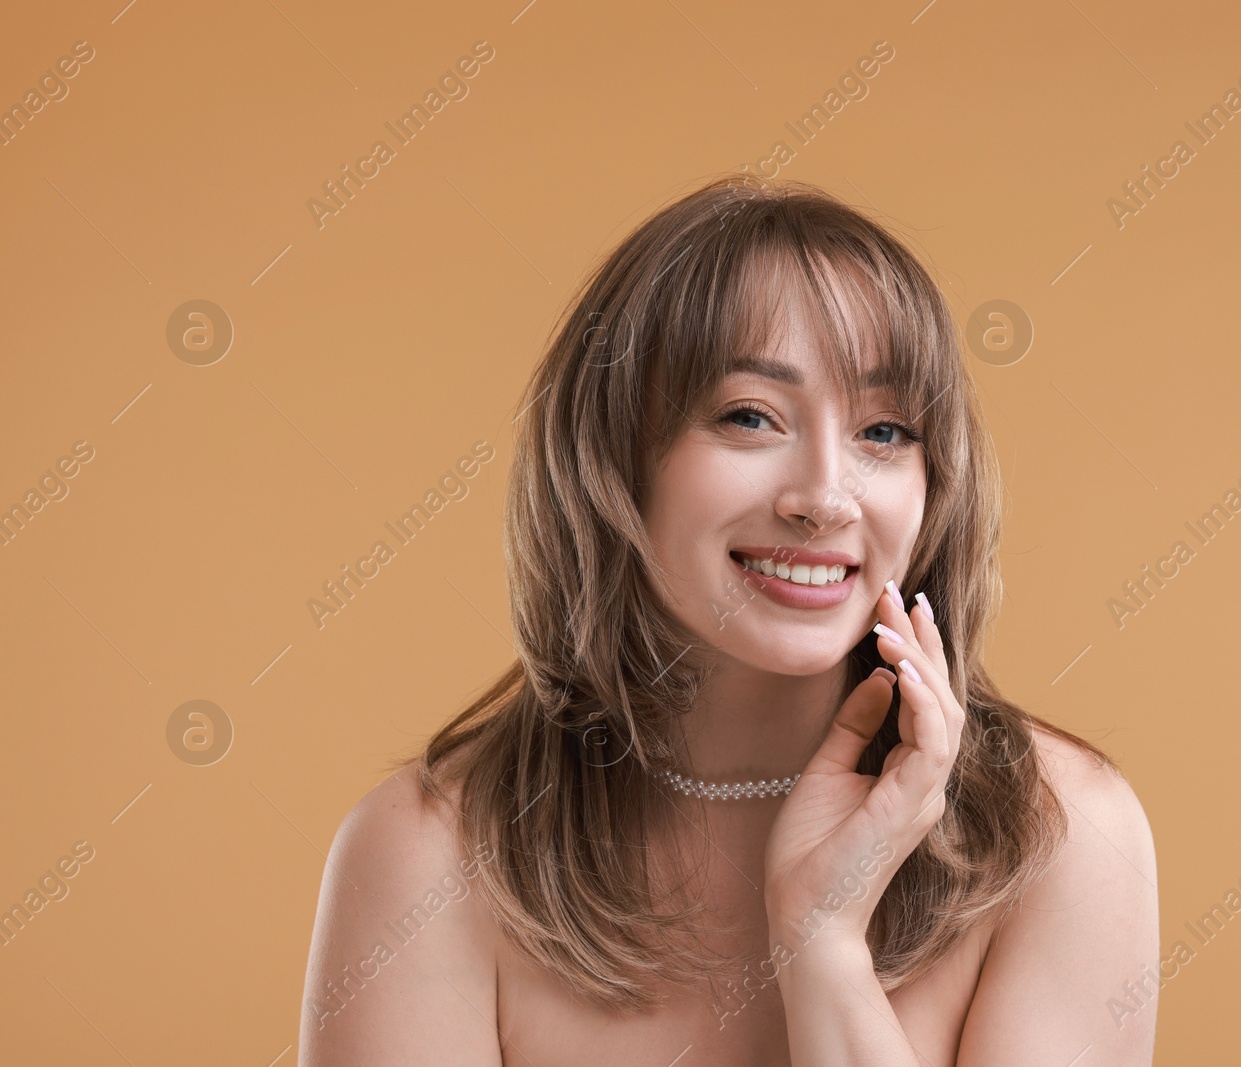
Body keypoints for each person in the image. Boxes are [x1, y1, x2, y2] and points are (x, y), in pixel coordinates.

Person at [299, 175, 1159, 1065]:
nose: (824, 497)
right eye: (750, 416)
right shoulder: (428, 855)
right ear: (612, 462)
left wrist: (823, 948)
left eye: (885, 431)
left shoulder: (1064, 834)